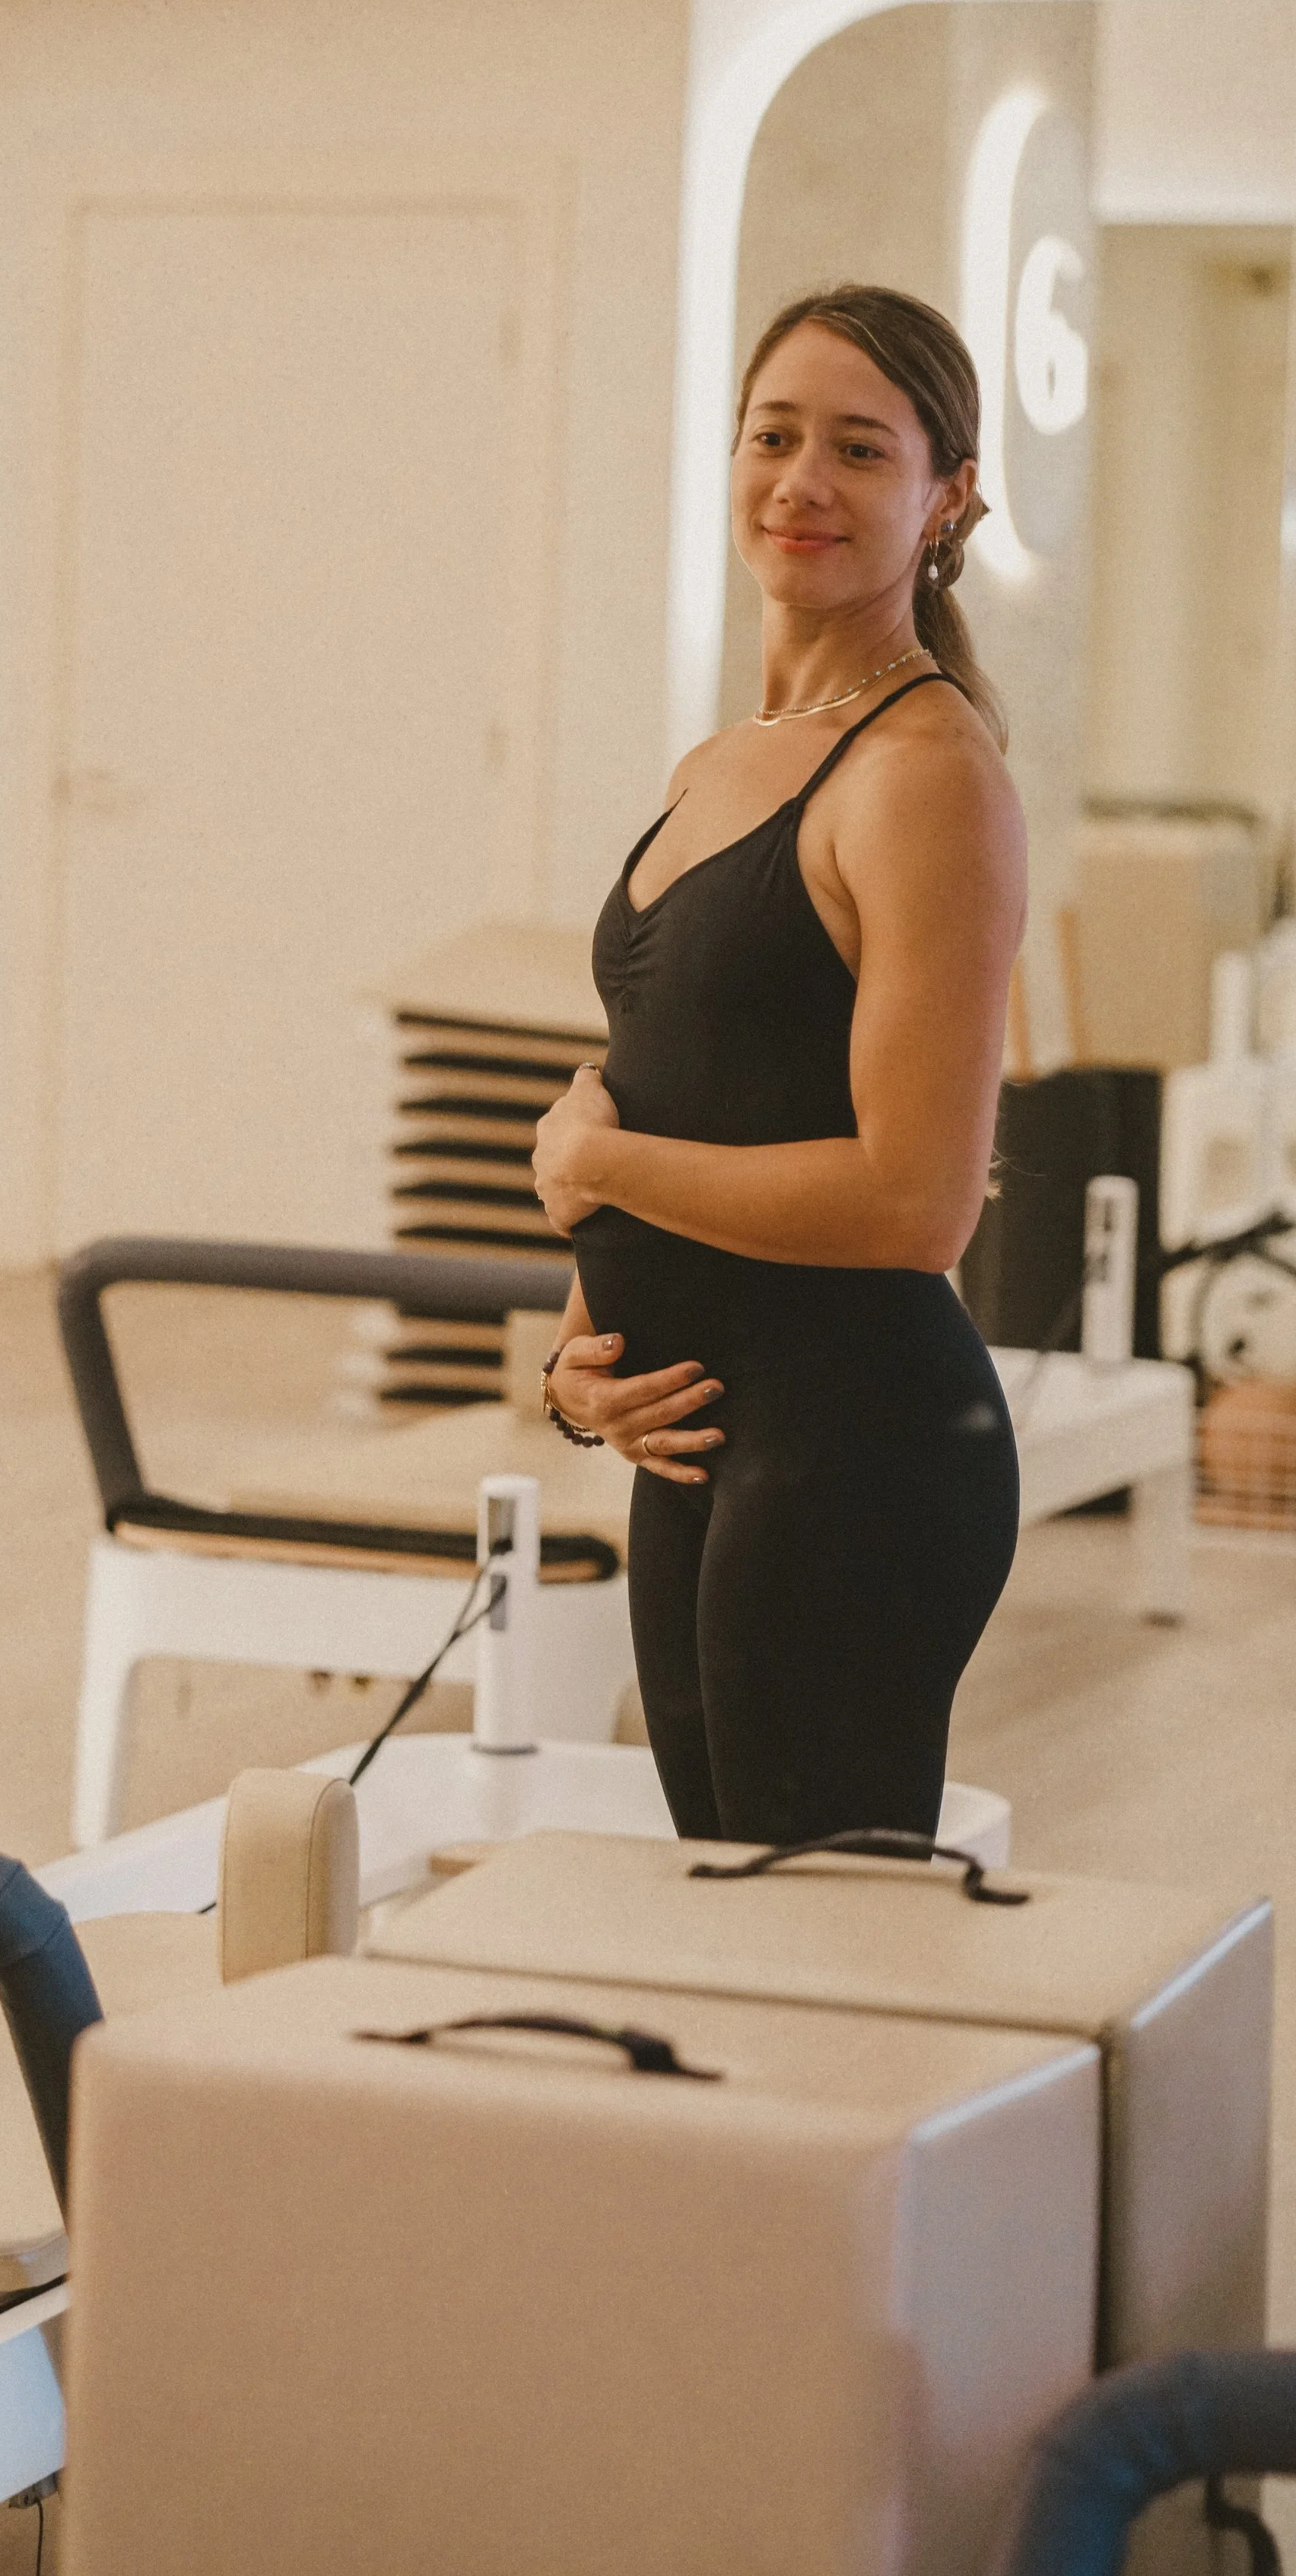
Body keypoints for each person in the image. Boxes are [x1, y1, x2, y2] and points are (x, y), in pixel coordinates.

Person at [530, 284, 1026, 1846]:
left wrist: (594, 1172)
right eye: (772, 435)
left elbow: (912, 1202)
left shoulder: (923, 776)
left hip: (855, 1445)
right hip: (698, 1431)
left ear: (943, 499)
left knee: (823, 1957)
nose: (800, 482)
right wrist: (577, 1361)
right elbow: (674, 1066)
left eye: (859, 449)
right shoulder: (720, 760)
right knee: (725, 1908)